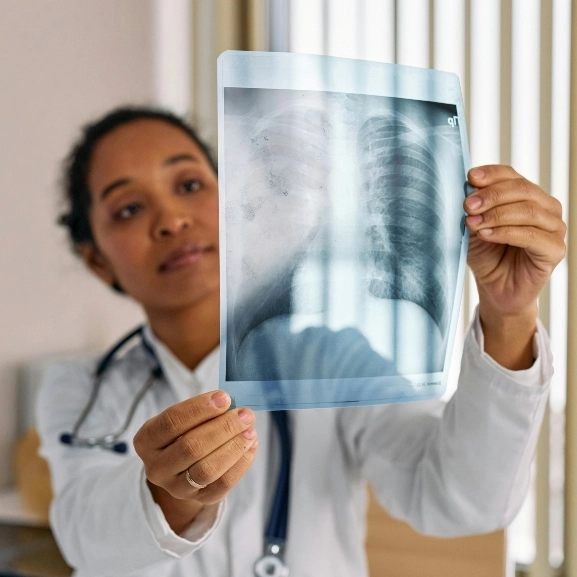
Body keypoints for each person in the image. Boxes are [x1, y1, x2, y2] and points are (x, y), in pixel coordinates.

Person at [37, 106, 565, 577]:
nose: (172, 220)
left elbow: (460, 500)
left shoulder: (333, 362)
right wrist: (163, 494)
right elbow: (84, 539)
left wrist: (509, 316)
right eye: (129, 208)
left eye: (190, 185)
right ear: (97, 258)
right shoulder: (80, 388)